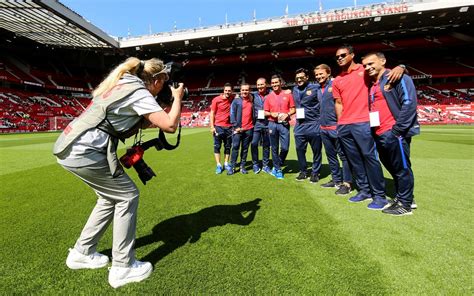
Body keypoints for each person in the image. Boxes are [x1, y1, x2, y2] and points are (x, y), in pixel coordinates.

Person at [53, 57, 184, 288]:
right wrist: (178, 99)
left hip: (69, 146)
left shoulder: (123, 84)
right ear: (155, 80)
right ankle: (123, 267)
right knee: (127, 195)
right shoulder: (139, 93)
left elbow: (128, 121)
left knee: (108, 197)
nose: (165, 86)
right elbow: (170, 126)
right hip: (85, 151)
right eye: (164, 81)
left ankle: (82, 252)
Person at [333, 44, 404, 210]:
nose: (340, 58)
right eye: (337, 57)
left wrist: (401, 66)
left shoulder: (364, 70)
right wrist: (340, 122)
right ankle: (364, 190)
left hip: (363, 122)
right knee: (354, 160)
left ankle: (379, 195)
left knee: (369, 158)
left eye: (343, 55)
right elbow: (338, 102)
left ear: (352, 55)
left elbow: (383, 72)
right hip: (344, 125)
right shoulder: (337, 79)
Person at [362, 52, 419, 215]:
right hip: (379, 133)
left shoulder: (397, 77)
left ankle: (406, 205)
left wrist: (397, 130)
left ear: (383, 61)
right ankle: (403, 197)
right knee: (392, 167)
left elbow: (409, 103)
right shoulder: (373, 84)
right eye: (365, 65)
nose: (368, 67)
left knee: (402, 167)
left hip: (394, 132)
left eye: (371, 63)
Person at [314, 64, 352, 195]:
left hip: (336, 127)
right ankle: (336, 180)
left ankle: (347, 183)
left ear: (328, 73)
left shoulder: (335, 84)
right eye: (317, 75)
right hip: (323, 128)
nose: (318, 76)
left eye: (321, 74)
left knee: (344, 156)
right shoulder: (318, 89)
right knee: (331, 156)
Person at [292, 68, 322, 183]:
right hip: (299, 125)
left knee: (316, 150)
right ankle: (303, 171)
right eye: (297, 78)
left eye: (301, 78)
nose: (299, 80)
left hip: (313, 124)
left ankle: (315, 172)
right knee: (300, 149)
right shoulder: (294, 89)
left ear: (307, 77)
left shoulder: (316, 88)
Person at [264, 74, 295, 179]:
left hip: (284, 124)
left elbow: (293, 109)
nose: (274, 85)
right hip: (272, 124)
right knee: (274, 148)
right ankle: (277, 169)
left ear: (280, 83)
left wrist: (288, 114)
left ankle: (278, 163)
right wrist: (271, 114)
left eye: (276, 82)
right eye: (272, 83)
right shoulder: (268, 97)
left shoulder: (288, 95)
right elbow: (265, 112)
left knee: (285, 148)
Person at [228, 83, 254, 175]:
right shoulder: (236, 101)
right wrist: (236, 126)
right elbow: (232, 114)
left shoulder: (252, 99)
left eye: (246, 90)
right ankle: (232, 166)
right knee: (235, 147)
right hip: (238, 129)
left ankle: (243, 167)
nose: (245, 91)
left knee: (245, 149)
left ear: (249, 91)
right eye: (243, 90)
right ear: (240, 91)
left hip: (249, 128)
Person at [210, 83, 234, 174]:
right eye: (226, 90)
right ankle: (219, 165)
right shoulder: (216, 100)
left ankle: (226, 163)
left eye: (229, 91)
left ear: (231, 91)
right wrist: (212, 127)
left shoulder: (233, 98)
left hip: (229, 127)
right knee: (217, 146)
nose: (227, 92)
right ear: (223, 91)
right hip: (218, 126)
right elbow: (212, 113)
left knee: (228, 147)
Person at [250, 77, 271, 174]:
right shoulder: (253, 96)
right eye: (258, 85)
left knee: (266, 145)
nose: (260, 86)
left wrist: (287, 91)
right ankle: (255, 164)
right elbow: (243, 95)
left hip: (268, 123)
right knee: (254, 143)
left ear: (266, 84)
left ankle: (265, 165)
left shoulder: (271, 94)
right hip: (257, 123)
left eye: (261, 84)